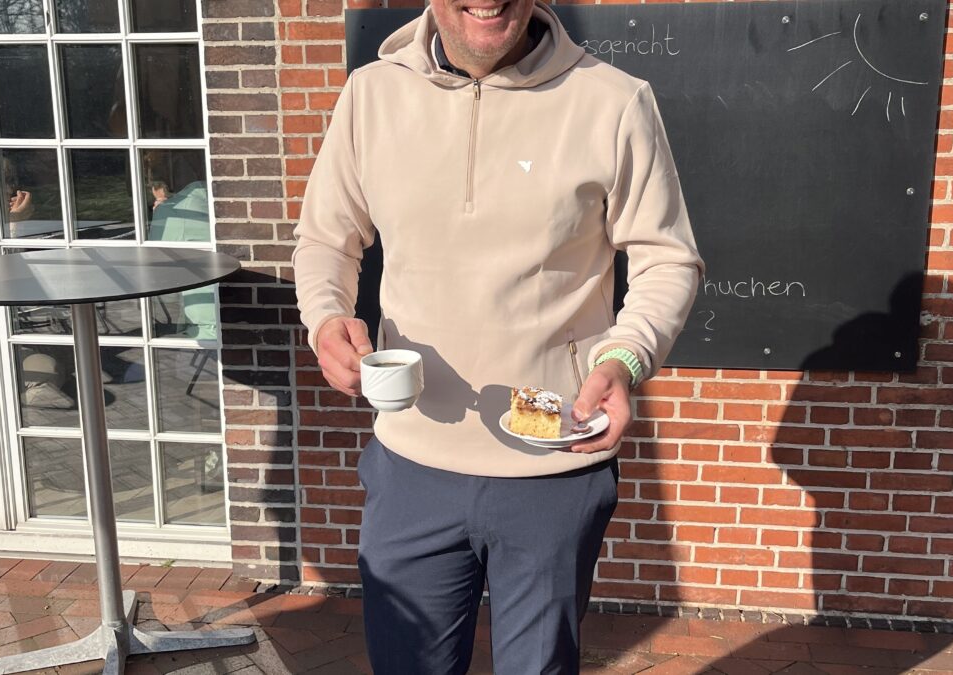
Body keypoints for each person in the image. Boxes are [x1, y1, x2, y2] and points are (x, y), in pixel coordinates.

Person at [292, 0, 704, 671]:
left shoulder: (614, 102)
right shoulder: (371, 95)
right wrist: (325, 316)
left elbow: (668, 259)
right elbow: (325, 239)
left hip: (552, 465)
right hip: (411, 464)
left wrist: (626, 357)